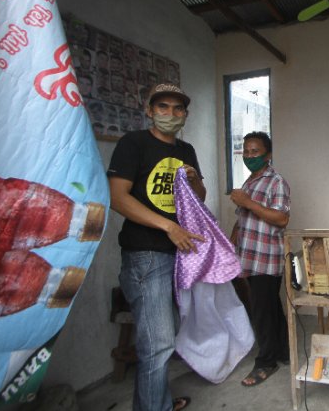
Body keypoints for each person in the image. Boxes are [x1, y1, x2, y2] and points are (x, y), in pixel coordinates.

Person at [107, 83, 205, 411]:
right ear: (149, 110)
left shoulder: (186, 150)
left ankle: (156, 402)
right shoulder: (133, 144)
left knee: (162, 339)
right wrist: (168, 226)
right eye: (163, 107)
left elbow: (199, 198)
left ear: (185, 115)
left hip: (177, 255)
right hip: (145, 255)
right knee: (158, 344)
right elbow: (117, 198)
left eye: (178, 109)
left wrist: (192, 180)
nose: (170, 114)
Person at [230, 131, 290, 387]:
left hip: (266, 257)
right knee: (270, 307)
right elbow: (242, 219)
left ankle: (266, 362)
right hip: (249, 256)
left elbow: (282, 218)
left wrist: (248, 202)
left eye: (255, 152)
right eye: (247, 151)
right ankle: (285, 351)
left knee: (262, 311)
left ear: (268, 154)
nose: (250, 156)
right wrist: (230, 243)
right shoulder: (249, 183)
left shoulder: (276, 182)